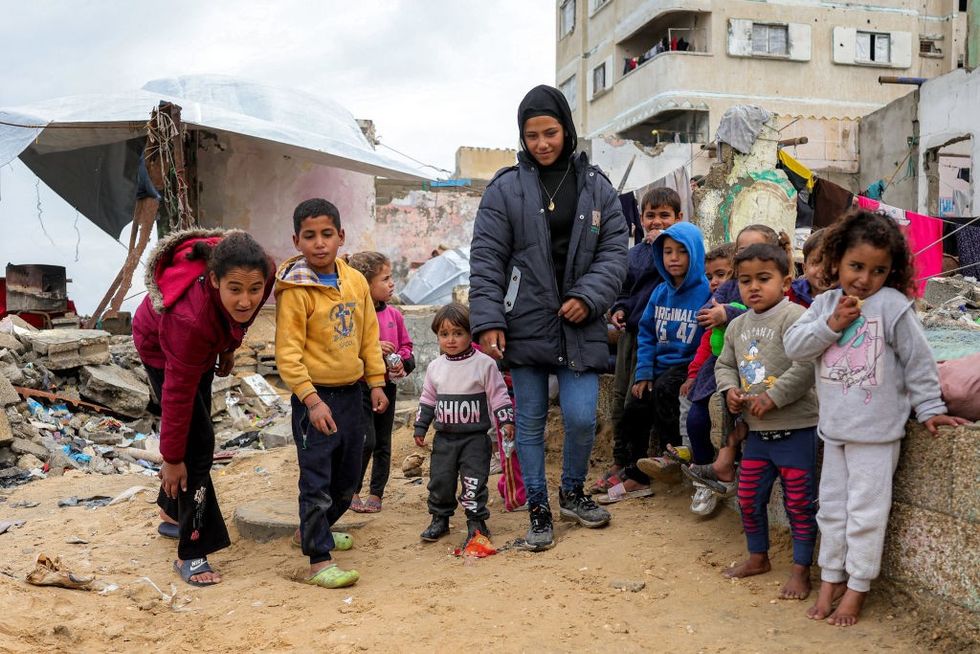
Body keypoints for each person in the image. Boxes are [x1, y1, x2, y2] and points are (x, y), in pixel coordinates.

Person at [784, 210, 967, 626]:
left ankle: (857, 587)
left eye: (878, 270)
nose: (865, 279)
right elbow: (795, 346)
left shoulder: (892, 306)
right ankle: (829, 577)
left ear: (892, 270)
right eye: (856, 267)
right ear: (836, 263)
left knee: (866, 513)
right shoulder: (825, 304)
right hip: (835, 432)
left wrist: (931, 410)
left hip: (877, 434)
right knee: (831, 510)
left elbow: (919, 362)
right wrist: (831, 325)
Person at [469, 84, 628, 551]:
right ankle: (539, 509)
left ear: (568, 130)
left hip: (580, 323)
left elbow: (616, 251)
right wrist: (489, 318)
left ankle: (573, 492)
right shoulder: (505, 188)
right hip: (526, 323)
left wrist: (589, 296)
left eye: (550, 132)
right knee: (531, 420)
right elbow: (487, 258)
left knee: (581, 418)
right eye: (532, 135)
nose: (541, 143)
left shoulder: (597, 186)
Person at [133, 229, 274, 586]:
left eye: (254, 290)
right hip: (160, 347)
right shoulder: (189, 321)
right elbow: (177, 395)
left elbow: (245, 311)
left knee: (198, 435)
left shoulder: (264, 273)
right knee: (196, 450)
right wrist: (171, 458)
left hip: (205, 341)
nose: (246, 300)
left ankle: (171, 512)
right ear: (214, 280)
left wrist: (228, 345)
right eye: (235, 290)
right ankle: (192, 552)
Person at [275, 198, 389, 589]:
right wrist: (311, 399)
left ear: (341, 236)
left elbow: (368, 336)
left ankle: (312, 531)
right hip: (315, 400)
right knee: (317, 479)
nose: (319, 243)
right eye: (310, 236)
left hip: (351, 394)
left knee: (348, 477)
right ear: (297, 240)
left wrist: (375, 381)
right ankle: (318, 560)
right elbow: (287, 355)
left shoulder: (354, 281)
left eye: (327, 234)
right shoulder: (295, 288)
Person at [715, 243, 819, 600]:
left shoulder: (796, 318)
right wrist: (729, 390)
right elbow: (725, 364)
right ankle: (757, 556)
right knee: (747, 497)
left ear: (786, 281)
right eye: (745, 281)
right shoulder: (737, 325)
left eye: (763, 279)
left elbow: (807, 365)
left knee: (800, 504)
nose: (753, 287)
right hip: (756, 433)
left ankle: (801, 569)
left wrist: (775, 396)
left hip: (796, 428)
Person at [674, 225, 793, 492]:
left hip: (756, 369)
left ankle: (724, 468)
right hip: (720, 367)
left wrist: (726, 313)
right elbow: (706, 312)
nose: (752, 285)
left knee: (736, 417)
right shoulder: (729, 286)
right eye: (742, 251)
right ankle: (705, 482)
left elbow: (760, 316)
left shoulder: (778, 297)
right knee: (697, 419)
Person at [591, 186, 681, 495]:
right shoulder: (634, 254)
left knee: (638, 401)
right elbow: (625, 290)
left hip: (659, 337)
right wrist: (618, 309)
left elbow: (675, 282)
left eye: (664, 216)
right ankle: (620, 460)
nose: (657, 222)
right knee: (620, 398)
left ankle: (637, 466)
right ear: (639, 219)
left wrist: (664, 250)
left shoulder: (677, 254)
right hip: (631, 333)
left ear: (679, 218)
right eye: (650, 216)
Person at [615, 222, 710, 502]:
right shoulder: (659, 293)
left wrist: (693, 372)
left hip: (688, 366)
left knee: (668, 390)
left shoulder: (706, 293)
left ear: (695, 254)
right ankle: (636, 474)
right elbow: (646, 334)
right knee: (635, 405)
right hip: (657, 366)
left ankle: (672, 457)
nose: (674, 258)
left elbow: (705, 340)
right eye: (667, 252)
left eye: (682, 251)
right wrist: (643, 372)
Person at [413, 303, 515, 544]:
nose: (451, 340)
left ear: (471, 334)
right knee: (440, 480)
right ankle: (440, 519)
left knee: (474, 481)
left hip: (475, 438)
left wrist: (506, 421)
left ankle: (476, 522)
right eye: (444, 334)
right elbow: (427, 399)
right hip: (445, 438)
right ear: (437, 336)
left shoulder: (484, 364)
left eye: (458, 333)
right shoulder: (435, 367)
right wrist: (420, 427)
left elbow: (499, 395)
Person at [346, 251, 414, 514]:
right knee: (366, 440)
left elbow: (407, 347)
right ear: (365, 284)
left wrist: (402, 361)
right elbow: (346, 348)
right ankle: (352, 489)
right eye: (385, 279)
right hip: (361, 385)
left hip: (388, 385)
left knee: (384, 442)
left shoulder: (394, 316)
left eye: (391, 278)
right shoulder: (353, 316)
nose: (391, 283)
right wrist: (373, 348)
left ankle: (376, 492)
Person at [789, 228, 827, 307]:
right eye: (816, 263)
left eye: (832, 264)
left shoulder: (847, 302)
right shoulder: (789, 294)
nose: (823, 270)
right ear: (805, 268)